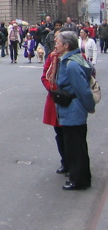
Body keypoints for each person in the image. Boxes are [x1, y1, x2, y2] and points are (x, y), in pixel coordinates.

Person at [54, 31, 95, 190]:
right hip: (72, 109)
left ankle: (79, 180)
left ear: (66, 45)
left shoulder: (71, 64)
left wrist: (89, 107)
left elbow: (83, 90)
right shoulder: (73, 59)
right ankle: (81, 177)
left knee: (75, 147)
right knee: (77, 145)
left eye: (58, 42)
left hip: (73, 110)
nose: (55, 45)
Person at [40, 31, 66, 176]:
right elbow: (45, 75)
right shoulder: (52, 57)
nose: (55, 43)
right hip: (55, 99)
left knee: (72, 135)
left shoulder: (78, 58)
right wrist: (53, 88)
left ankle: (74, 163)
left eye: (57, 41)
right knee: (59, 134)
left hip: (71, 102)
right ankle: (65, 161)